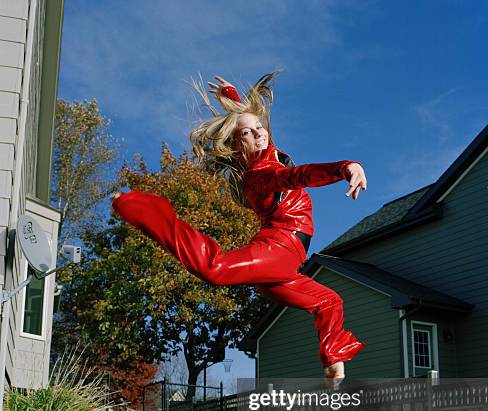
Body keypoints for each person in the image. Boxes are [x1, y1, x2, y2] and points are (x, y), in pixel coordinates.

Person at [111, 73, 367, 384]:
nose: (260, 134)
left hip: (285, 262)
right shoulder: (262, 174)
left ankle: (334, 369)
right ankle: (140, 207)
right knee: (214, 268)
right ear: (237, 145)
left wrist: (230, 96)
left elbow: (247, 118)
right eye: (249, 133)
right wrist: (345, 167)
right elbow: (299, 176)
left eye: (261, 128)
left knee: (329, 301)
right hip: (279, 248)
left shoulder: (269, 151)